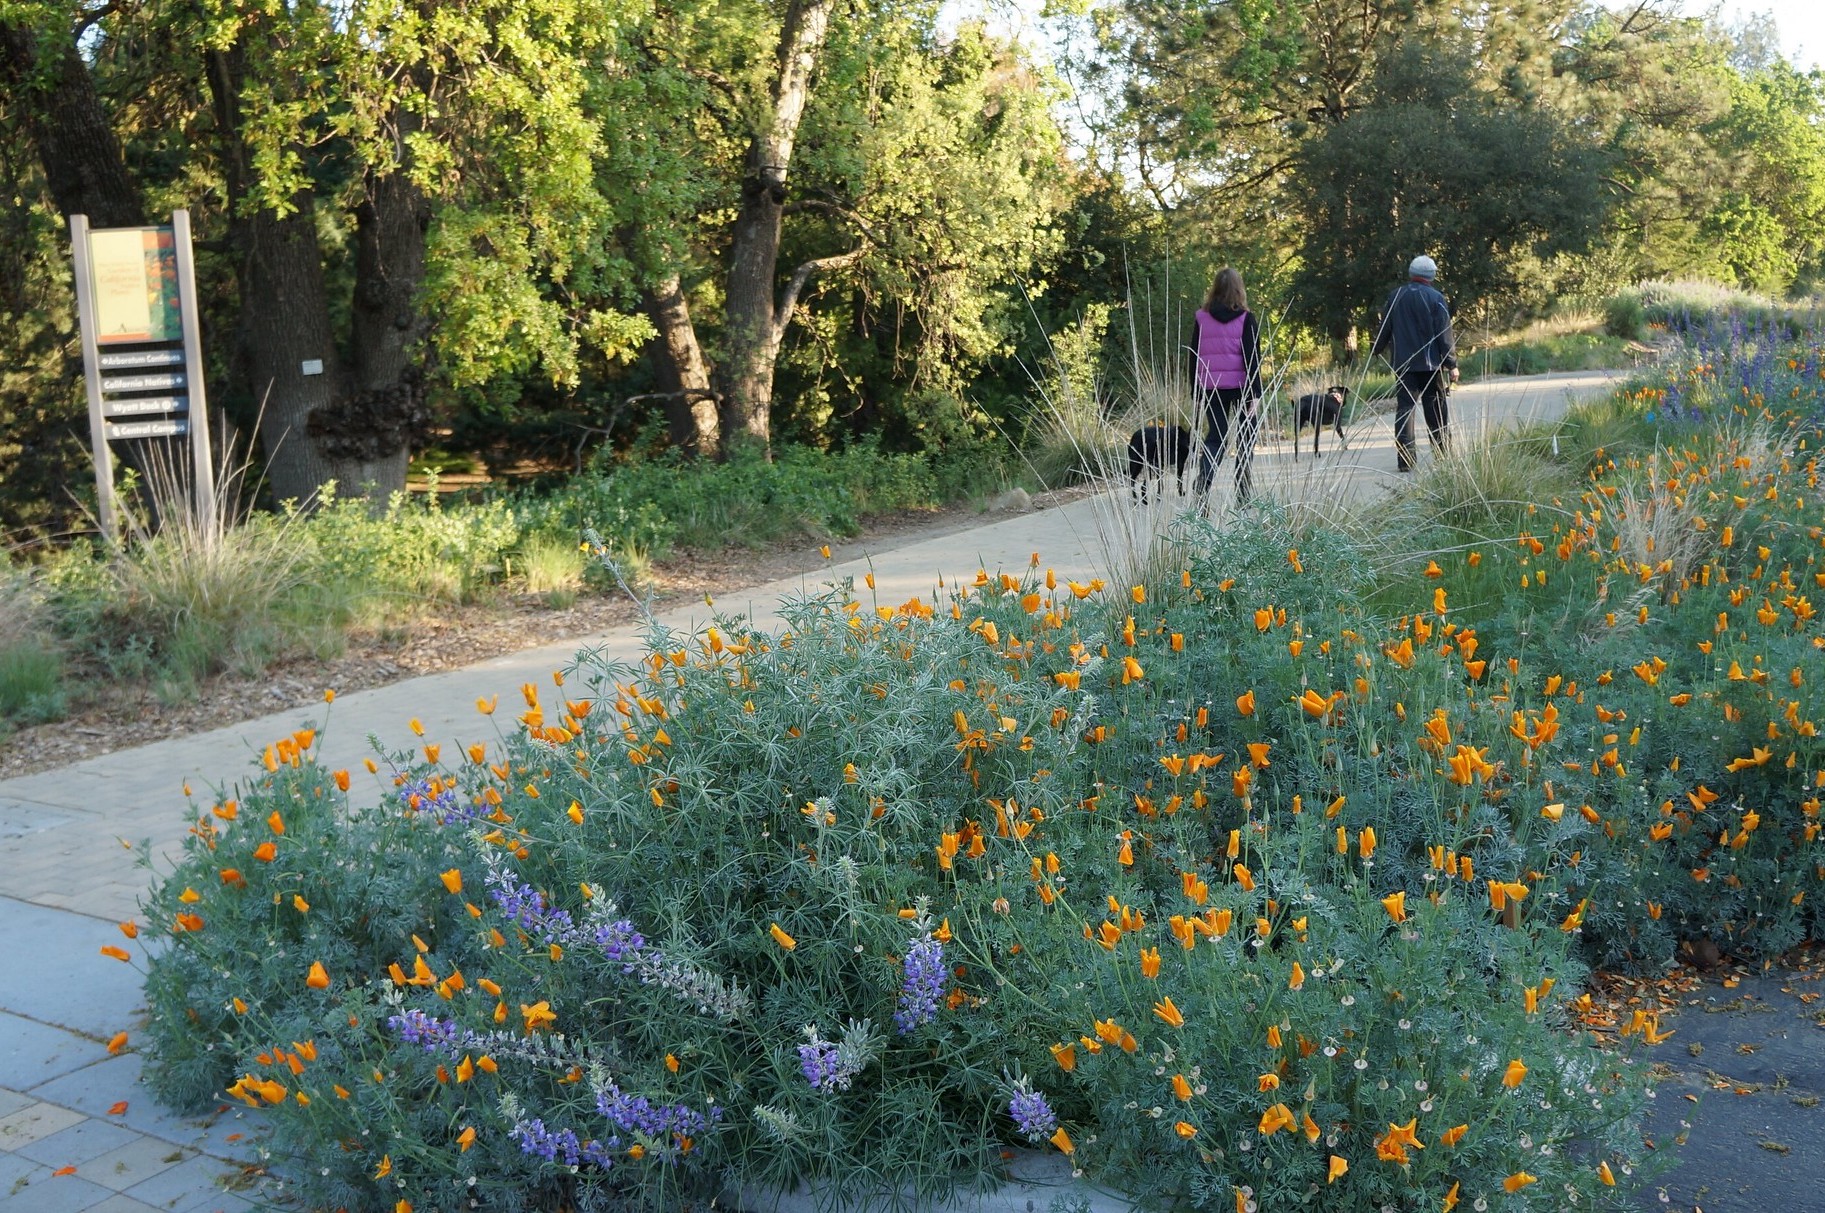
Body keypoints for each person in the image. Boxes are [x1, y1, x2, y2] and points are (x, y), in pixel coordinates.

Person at [1371, 254, 1458, 472]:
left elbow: (1385, 328)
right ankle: (1442, 455)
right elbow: (1444, 333)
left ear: (1411, 273)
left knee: (1405, 409)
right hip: (1430, 365)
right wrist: (1451, 363)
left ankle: (1405, 461)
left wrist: (1376, 349)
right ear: (1432, 275)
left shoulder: (1395, 296)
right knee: (1435, 408)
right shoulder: (1435, 297)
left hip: (1403, 365)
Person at [1187, 267, 1262, 502]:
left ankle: (1203, 484)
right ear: (1239, 289)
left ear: (1215, 289)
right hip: (1242, 388)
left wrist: (1196, 392)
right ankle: (1242, 493)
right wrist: (1256, 394)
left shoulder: (1202, 318)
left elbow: (1193, 355)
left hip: (1211, 388)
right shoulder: (1246, 318)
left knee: (1216, 438)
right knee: (1246, 438)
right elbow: (1253, 359)